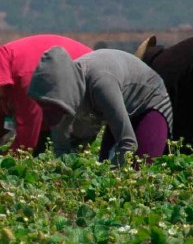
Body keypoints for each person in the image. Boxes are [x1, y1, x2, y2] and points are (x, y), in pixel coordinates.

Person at [28, 46, 173, 166]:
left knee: (139, 170)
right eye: (43, 105)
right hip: (117, 107)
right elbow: (62, 148)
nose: (48, 112)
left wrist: (114, 176)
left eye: (52, 106)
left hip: (149, 102)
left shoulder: (101, 84)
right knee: (104, 164)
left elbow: (128, 142)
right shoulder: (57, 98)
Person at [0, 34, 92, 155]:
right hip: (54, 104)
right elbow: (8, 114)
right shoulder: (3, 66)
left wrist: (1, 165)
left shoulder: (25, 78)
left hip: (85, 90)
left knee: (67, 152)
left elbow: (27, 141)